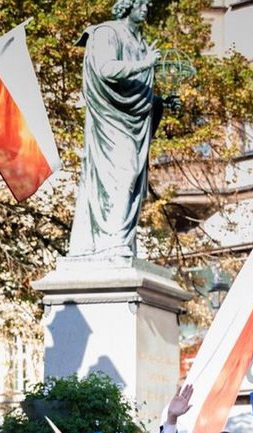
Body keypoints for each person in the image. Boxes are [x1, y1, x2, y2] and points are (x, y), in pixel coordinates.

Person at [69, 0, 165, 256]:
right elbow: (106, 68)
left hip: (131, 120)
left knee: (130, 179)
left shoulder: (141, 43)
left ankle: (118, 238)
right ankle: (111, 240)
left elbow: (135, 89)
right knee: (126, 170)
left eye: (148, 4)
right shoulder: (106, 33)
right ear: (126, 5)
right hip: (109, 119)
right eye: (140, 3)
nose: (146, 8)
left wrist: (158, 102)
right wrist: (145, 64)